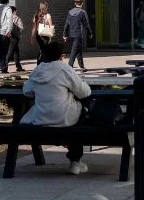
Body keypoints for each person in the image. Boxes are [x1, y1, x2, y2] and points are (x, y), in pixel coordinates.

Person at [20, 41, 92, 175]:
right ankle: (75, 160)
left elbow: (26, 91)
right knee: (80, 117)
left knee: (71, 114)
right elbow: (84, 92)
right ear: (61, 56)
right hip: (64, 117)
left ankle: (75, 160)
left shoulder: (38, 71)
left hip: (42, 118)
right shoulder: (65, 69)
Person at [62, 0, 92, 70]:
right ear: (82, 4)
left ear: (75, 3)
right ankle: (69, 65)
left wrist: (64, 34)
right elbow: (86, 24)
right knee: (74, 50)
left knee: (78, 50)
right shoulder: (83, 12)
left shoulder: (70, 12)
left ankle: (81, 66)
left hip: (72, 33)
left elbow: (67, 24)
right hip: (79, 34)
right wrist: (90, 33)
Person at [6, 6, 26, 72]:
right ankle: (4, 66)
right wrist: (19, 34)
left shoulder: (5, 18)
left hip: (7, 36)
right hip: (14, 37)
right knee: (10, 51)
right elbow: (21, 28)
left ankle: (18, 66)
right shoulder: (16, 18)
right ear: (14, 11)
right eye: (16, 11)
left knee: (16, 51)